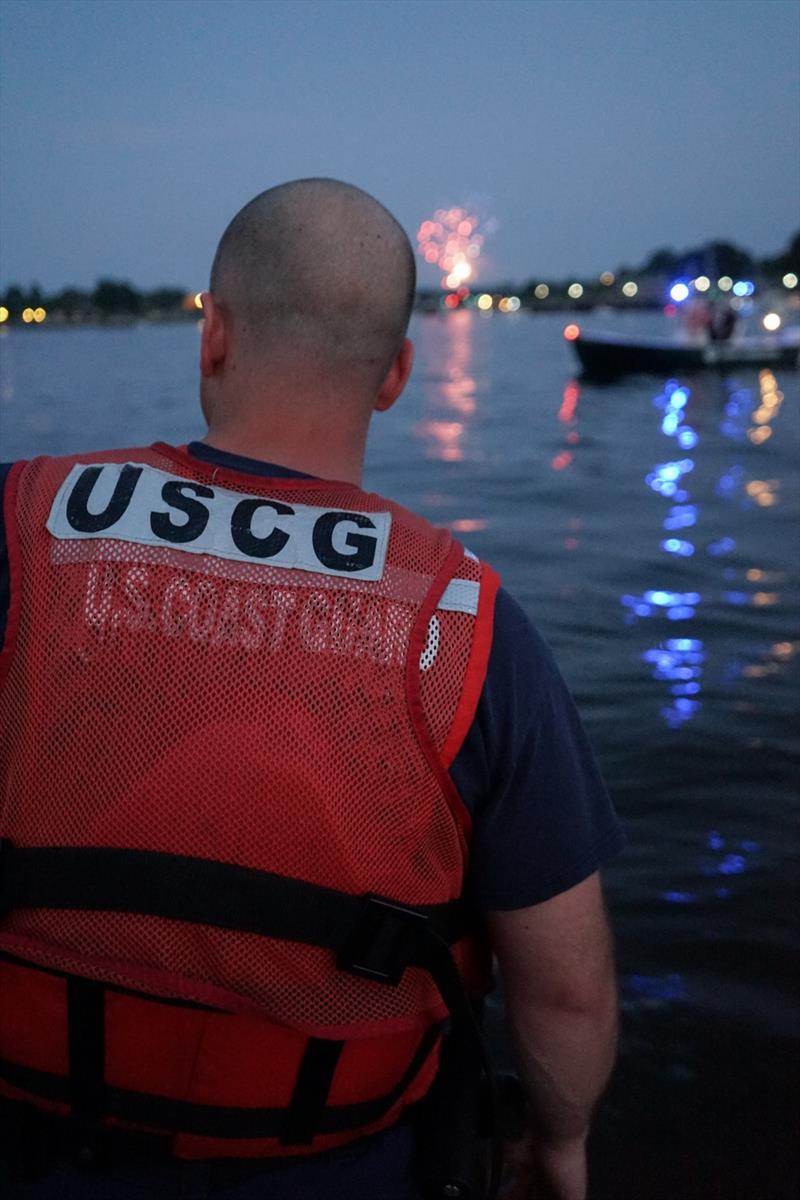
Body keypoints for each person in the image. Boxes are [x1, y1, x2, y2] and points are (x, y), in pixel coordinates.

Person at [0, 179, 624, 1200]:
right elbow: (563, 994)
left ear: (212, 334)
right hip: (338, 1161)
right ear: (398, 376)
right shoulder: (469, 628)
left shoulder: (20, 526)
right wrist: (557, 1145)